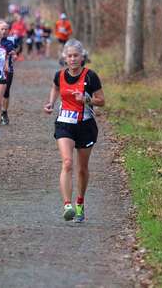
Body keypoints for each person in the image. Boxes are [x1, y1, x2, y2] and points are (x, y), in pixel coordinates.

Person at [44, 39, 105, 222]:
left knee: (82, 168)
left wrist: (86, 100)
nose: (72, 59)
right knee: (68, 162)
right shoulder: (59, 75)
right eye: (69, 56)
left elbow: (101, 101)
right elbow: (55, 88)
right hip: (64, 124)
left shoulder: (90, 76)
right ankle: (67, 205)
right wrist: (51, 103)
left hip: (85, 125)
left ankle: (80, 202)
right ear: (64, 57)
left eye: (75, 56)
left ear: (82, 57)